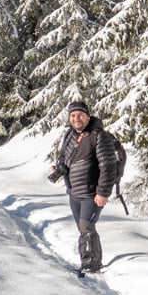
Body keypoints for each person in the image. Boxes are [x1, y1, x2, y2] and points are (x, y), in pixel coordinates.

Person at [49, 101, 122, 274]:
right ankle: (90, 261)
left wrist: (103, 192)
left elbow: (108, 165)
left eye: (80, 115)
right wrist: (59, 168)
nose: (76, 119)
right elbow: (64, 157)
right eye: (73, 116)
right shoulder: (70, 135)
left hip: (91, 192)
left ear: (88, 117)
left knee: (87, 226)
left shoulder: (99, 136)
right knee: (84, 229)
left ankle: (91, 266)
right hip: (74, 192)